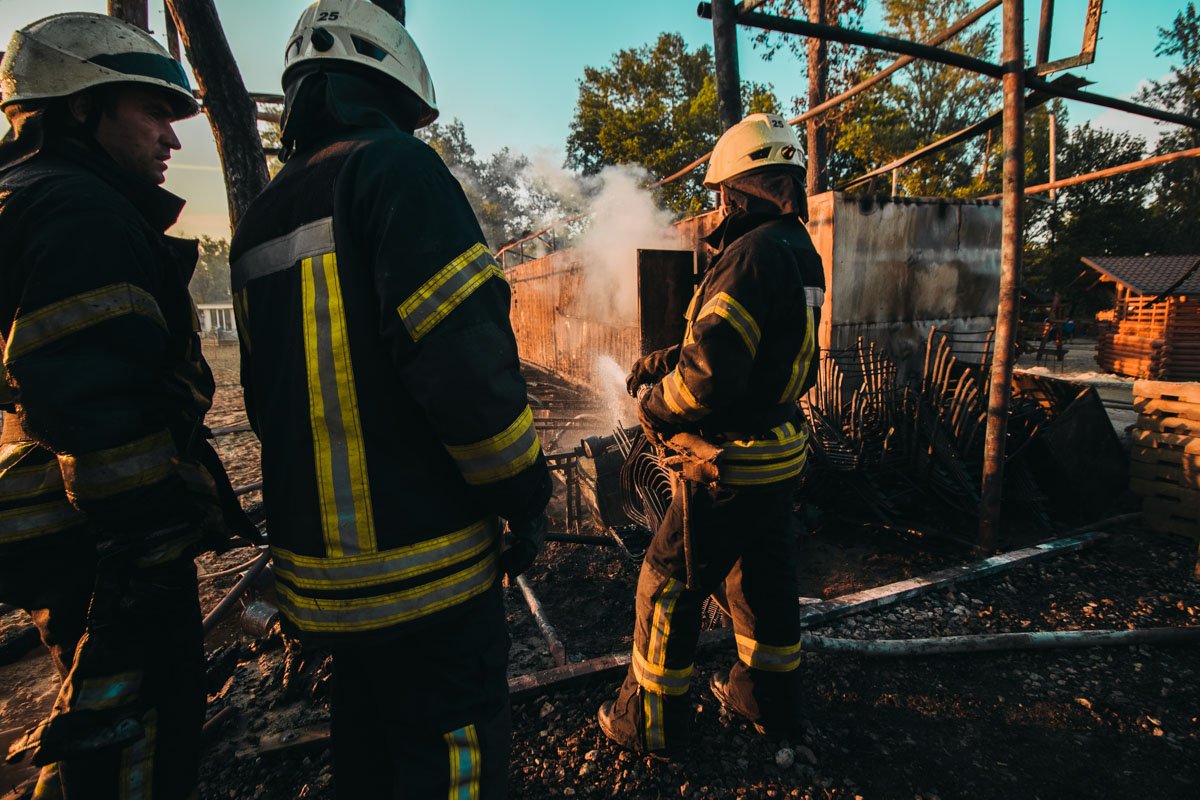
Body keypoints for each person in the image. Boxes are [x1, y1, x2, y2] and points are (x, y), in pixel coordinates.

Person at [228, 2, 552, 797]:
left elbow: (265, 402)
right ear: (392, 95)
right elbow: (467, 375)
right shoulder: (396, 171)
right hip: (426, 575)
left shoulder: (259, 220)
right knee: (452, 763)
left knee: (369, 754)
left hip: (323, 583)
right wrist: (526, 495)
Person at [0, 12, 249, 798]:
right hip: (103, 534)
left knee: (101, 702)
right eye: (152, 113)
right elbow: (98, 403)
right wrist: (147, 545)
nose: (173, 141)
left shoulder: (29, 197)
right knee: (132, 723)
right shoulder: (77, 213)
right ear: (80, 107)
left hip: (59, 524)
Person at [598, 113, 826, 758]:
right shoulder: (794, 248)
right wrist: (670, 356)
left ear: (739, 190)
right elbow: (747, 344)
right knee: (764, 585)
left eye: (723, 193)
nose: (719, 206)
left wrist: (659, 411)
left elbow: (708, 385)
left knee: (667, 585)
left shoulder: (747, 256)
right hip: (779, 455)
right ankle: (766, 699)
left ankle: (651, 722)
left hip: (729, 464)